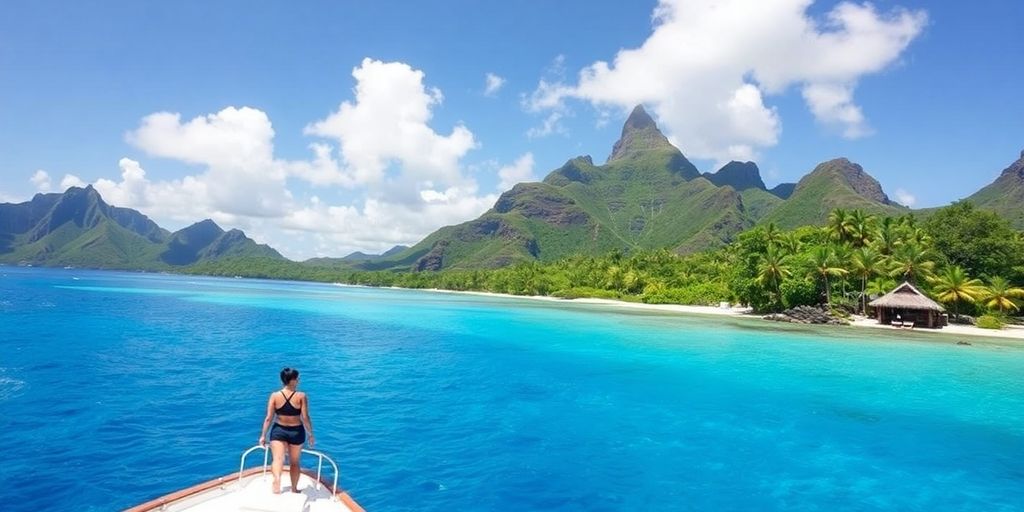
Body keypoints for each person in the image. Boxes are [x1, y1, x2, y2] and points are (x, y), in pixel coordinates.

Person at [259, 367, 315, 494]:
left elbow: (269, 418)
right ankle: (294, 489)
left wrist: (263, 435)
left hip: (279, 430)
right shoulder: (301, 396)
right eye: (297, 378)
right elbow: (305, 417)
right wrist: (311, 434)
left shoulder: (274, 396)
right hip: (296, 432)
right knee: (294, 462)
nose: (299, 380)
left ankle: (277, 479)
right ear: (292, 381)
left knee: (277, 459)